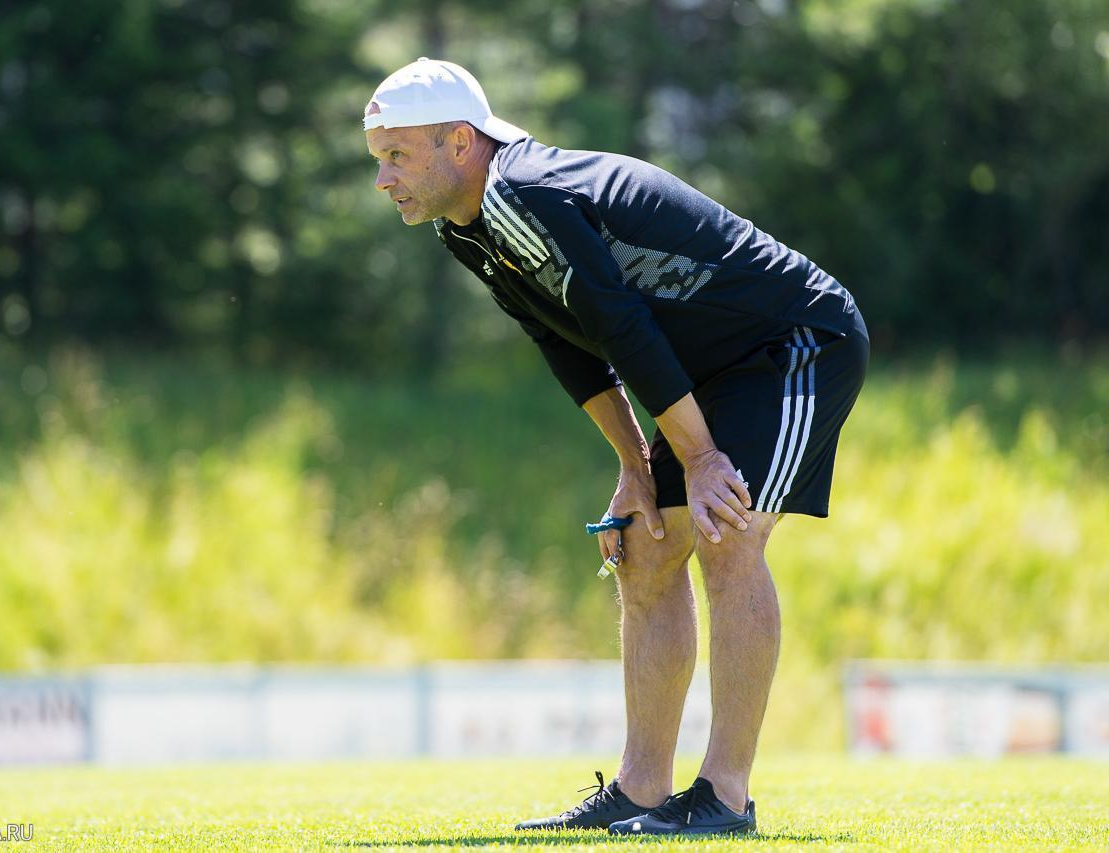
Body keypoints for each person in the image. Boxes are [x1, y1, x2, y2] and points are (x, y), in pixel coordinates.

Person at [362, 57, 868, 838]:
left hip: (795, 339)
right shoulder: (466, 228)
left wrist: (701, 459)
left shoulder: (521, 192)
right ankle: (640, 788)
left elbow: (620, 324)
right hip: (709, 369)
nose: (383, 178)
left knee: (726, 532)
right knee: (644, 545)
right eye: (378, 159)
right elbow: (566, 341)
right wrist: (636, 466)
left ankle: (725, 796)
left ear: (459, 142)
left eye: (396, 155)